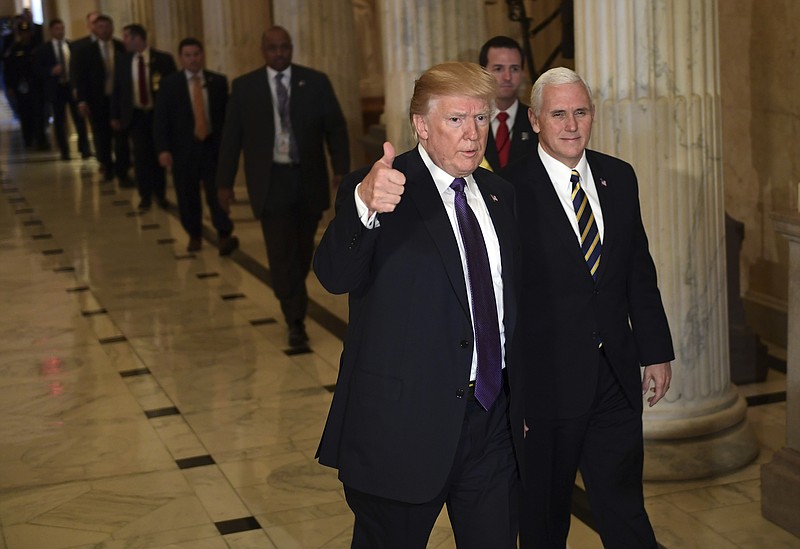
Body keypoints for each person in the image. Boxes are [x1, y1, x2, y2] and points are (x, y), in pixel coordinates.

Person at [314, 61, 522, 548]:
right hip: (401, 431)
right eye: (455, 120)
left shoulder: (499, 195)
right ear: (420, 126)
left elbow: (513, 308)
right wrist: (364, 205)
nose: (471, 135)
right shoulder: (384, 187)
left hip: (489, 424)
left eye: (480, 119)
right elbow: (332, 275)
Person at [501, 67, 674, 548]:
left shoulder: (619, 176)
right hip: (546, 386)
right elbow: (505, 302)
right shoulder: (508, 191)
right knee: (544, 521)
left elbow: (638, 270)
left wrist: (656, 351)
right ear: (535, 120)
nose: (572, 125)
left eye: (580, 112)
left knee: (625, 512)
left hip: (614, 378)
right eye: (559, 114)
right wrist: (516, 395)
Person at [217, 25, 349, 348]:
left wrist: (341, 170)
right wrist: (224, 183)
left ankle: (294, 294)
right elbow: (231, 140)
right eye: (273, 48)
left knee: (303, 251)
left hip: (307, 178)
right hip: (270, 181)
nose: (279, 53)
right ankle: (295, 319)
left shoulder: (315, 82)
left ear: (291, 48)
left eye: (285, 47)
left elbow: (335, 127)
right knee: (280, 254)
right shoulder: (245, 88)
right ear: (264, 51)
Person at [154, 38, 238, 255]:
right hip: (183, 149)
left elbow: (226, 117)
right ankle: (194, 234)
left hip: (211, 147)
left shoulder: (217, 81)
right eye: (188, 55)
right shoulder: (170, 84)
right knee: (187, 194)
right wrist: (163, 149)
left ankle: (224, 233)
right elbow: (161, 119)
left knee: (215, 192)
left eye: (196, 54)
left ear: (203, 56)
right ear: (181, 58)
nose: (193, 59)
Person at [112, 23, 176, 210]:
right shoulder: (124, 61)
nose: (123, 41)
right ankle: (145, 195)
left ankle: (160, 194)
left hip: (158, 115)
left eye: (126, 37)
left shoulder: (163, 59)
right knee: (141, 157)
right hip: (136, 116)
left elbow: (172, 89)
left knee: (160, 155)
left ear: (136, 38)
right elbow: (118, 90)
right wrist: (115, 115)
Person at [72, 14, 131, 185]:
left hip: (119, 100)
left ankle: (123, 171)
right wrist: (82, 101)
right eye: (100, 27)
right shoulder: (84, 52)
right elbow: (80, 79)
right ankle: (107, 166)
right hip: (97, 100)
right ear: (94, 29)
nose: (104, 30)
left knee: (121, 137)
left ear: (112, 29)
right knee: (101, 136)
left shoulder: (122, 47)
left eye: (107, 26)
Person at [35, 18, 91, 160]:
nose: (60, 31)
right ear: (51, 31)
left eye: (62, 28)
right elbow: (37, 69)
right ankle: (64, 151)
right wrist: (51, 71)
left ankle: (84, 149)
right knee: (59, 121)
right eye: (57, 29)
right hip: (56, 88)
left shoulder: (71, 46)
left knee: (79, 118)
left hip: (71, 87)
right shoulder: (43, 49)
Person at [479, 35, 535, 171]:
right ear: (483, 72)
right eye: (498, 69)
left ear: (523, 73)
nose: (507, 77)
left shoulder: (536, 121)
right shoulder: (470, 122)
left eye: (514, 69)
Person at [3, 21, 48, 150]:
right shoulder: (14, 49)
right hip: (21, 88)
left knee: (39, 114)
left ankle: (41, 140)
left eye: (27, 32)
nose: (25, 35)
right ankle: (28, 139)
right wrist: (10, 87)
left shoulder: (37, 48)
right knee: (25, 114)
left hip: (36, 86)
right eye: (22, 33)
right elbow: (9, 70)